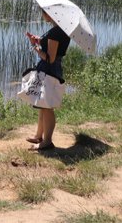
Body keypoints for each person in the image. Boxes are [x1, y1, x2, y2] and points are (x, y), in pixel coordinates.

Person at [25, 9, 70, 150]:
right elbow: (53, 49)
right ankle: (39, 136)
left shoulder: (55, 33)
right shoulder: (61, 30)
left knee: (47, 106)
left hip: (49, 69)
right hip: (52, 69)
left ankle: (47, 142)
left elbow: (49, 58)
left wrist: (35, 47)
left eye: (43, 13)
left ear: (50, 14)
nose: (43, 16)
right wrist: (40, 40)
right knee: (42, 104)